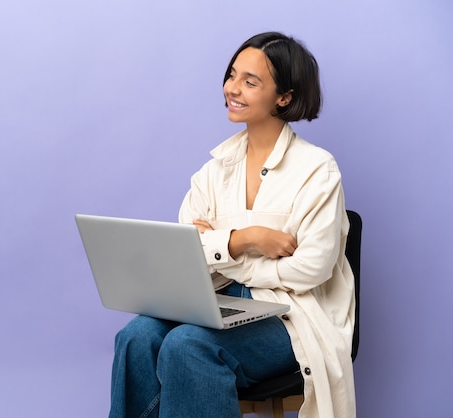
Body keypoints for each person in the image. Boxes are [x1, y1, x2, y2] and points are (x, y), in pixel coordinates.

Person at [109, 32, 356, 418]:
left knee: (188, 344)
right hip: (216, 301)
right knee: (136, 336)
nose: (232, 89)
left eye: (250, 81)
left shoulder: (317, 170)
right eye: (232, 75)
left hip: (290, 316)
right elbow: (186, 258)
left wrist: (221, 250)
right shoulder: (212, 172)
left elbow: (311, 269)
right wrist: (246, 240)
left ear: (285, 97)